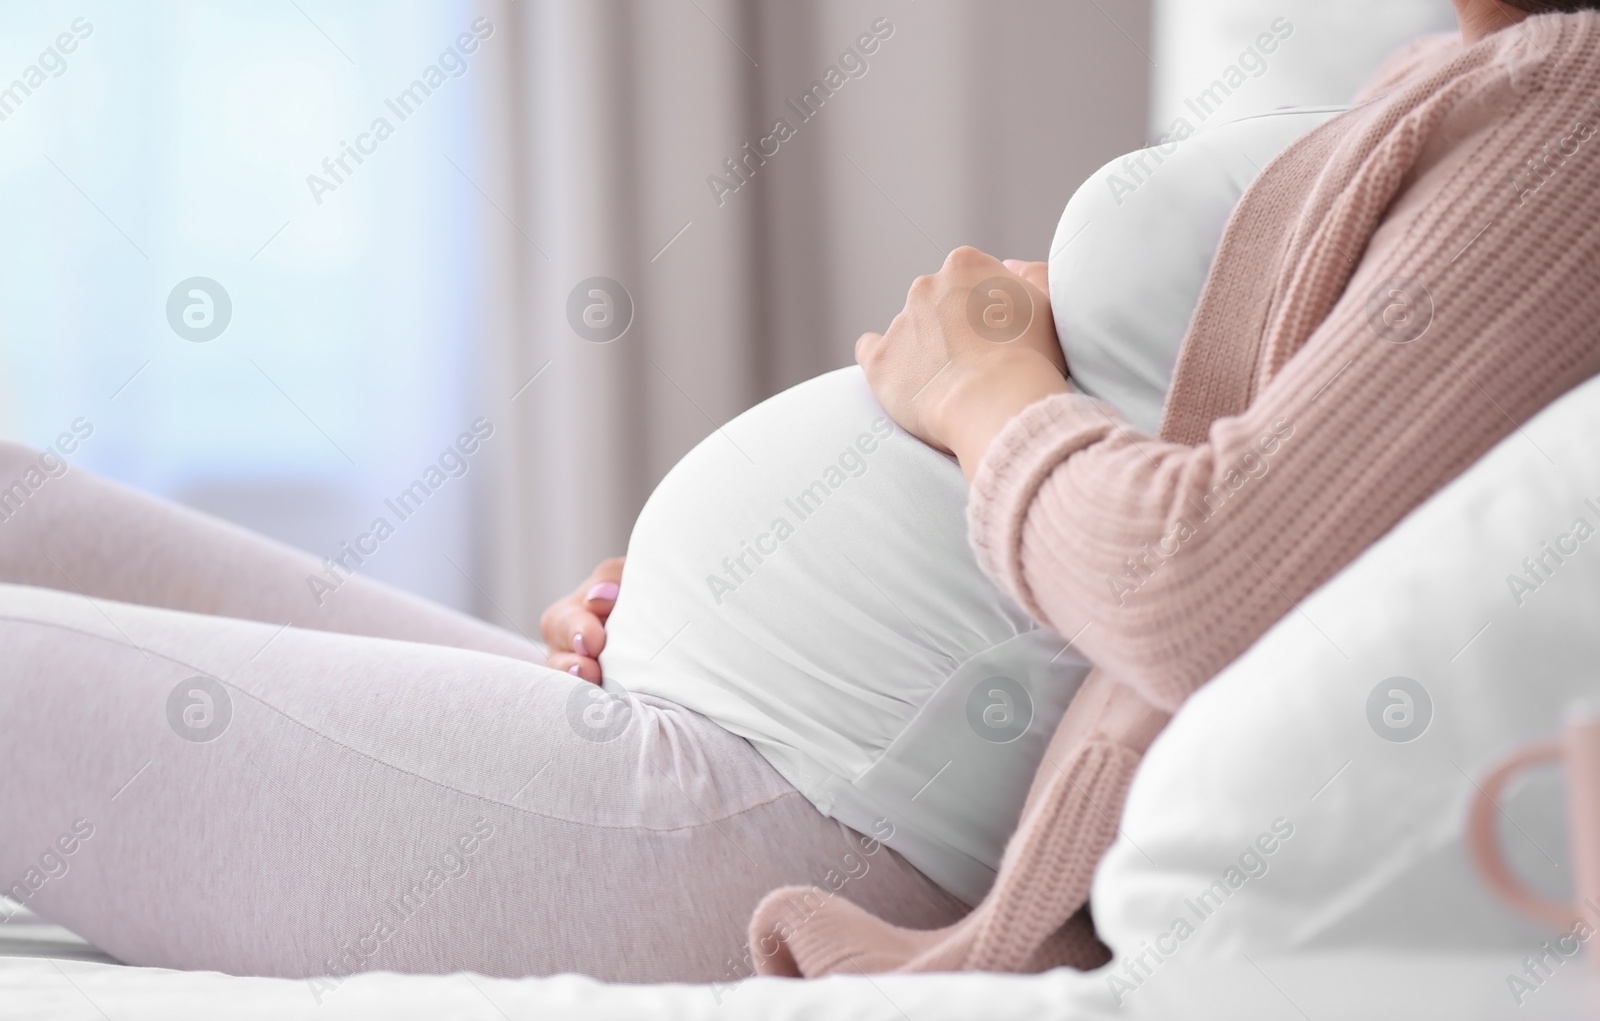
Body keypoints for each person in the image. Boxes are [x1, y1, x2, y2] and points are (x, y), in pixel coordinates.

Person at [2, 0, 1596, 989]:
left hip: (793, 810)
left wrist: (978, 393)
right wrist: (704, 599)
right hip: (727, 722)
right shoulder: (1465, 74)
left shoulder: (1575, 112)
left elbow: (1210, 591)